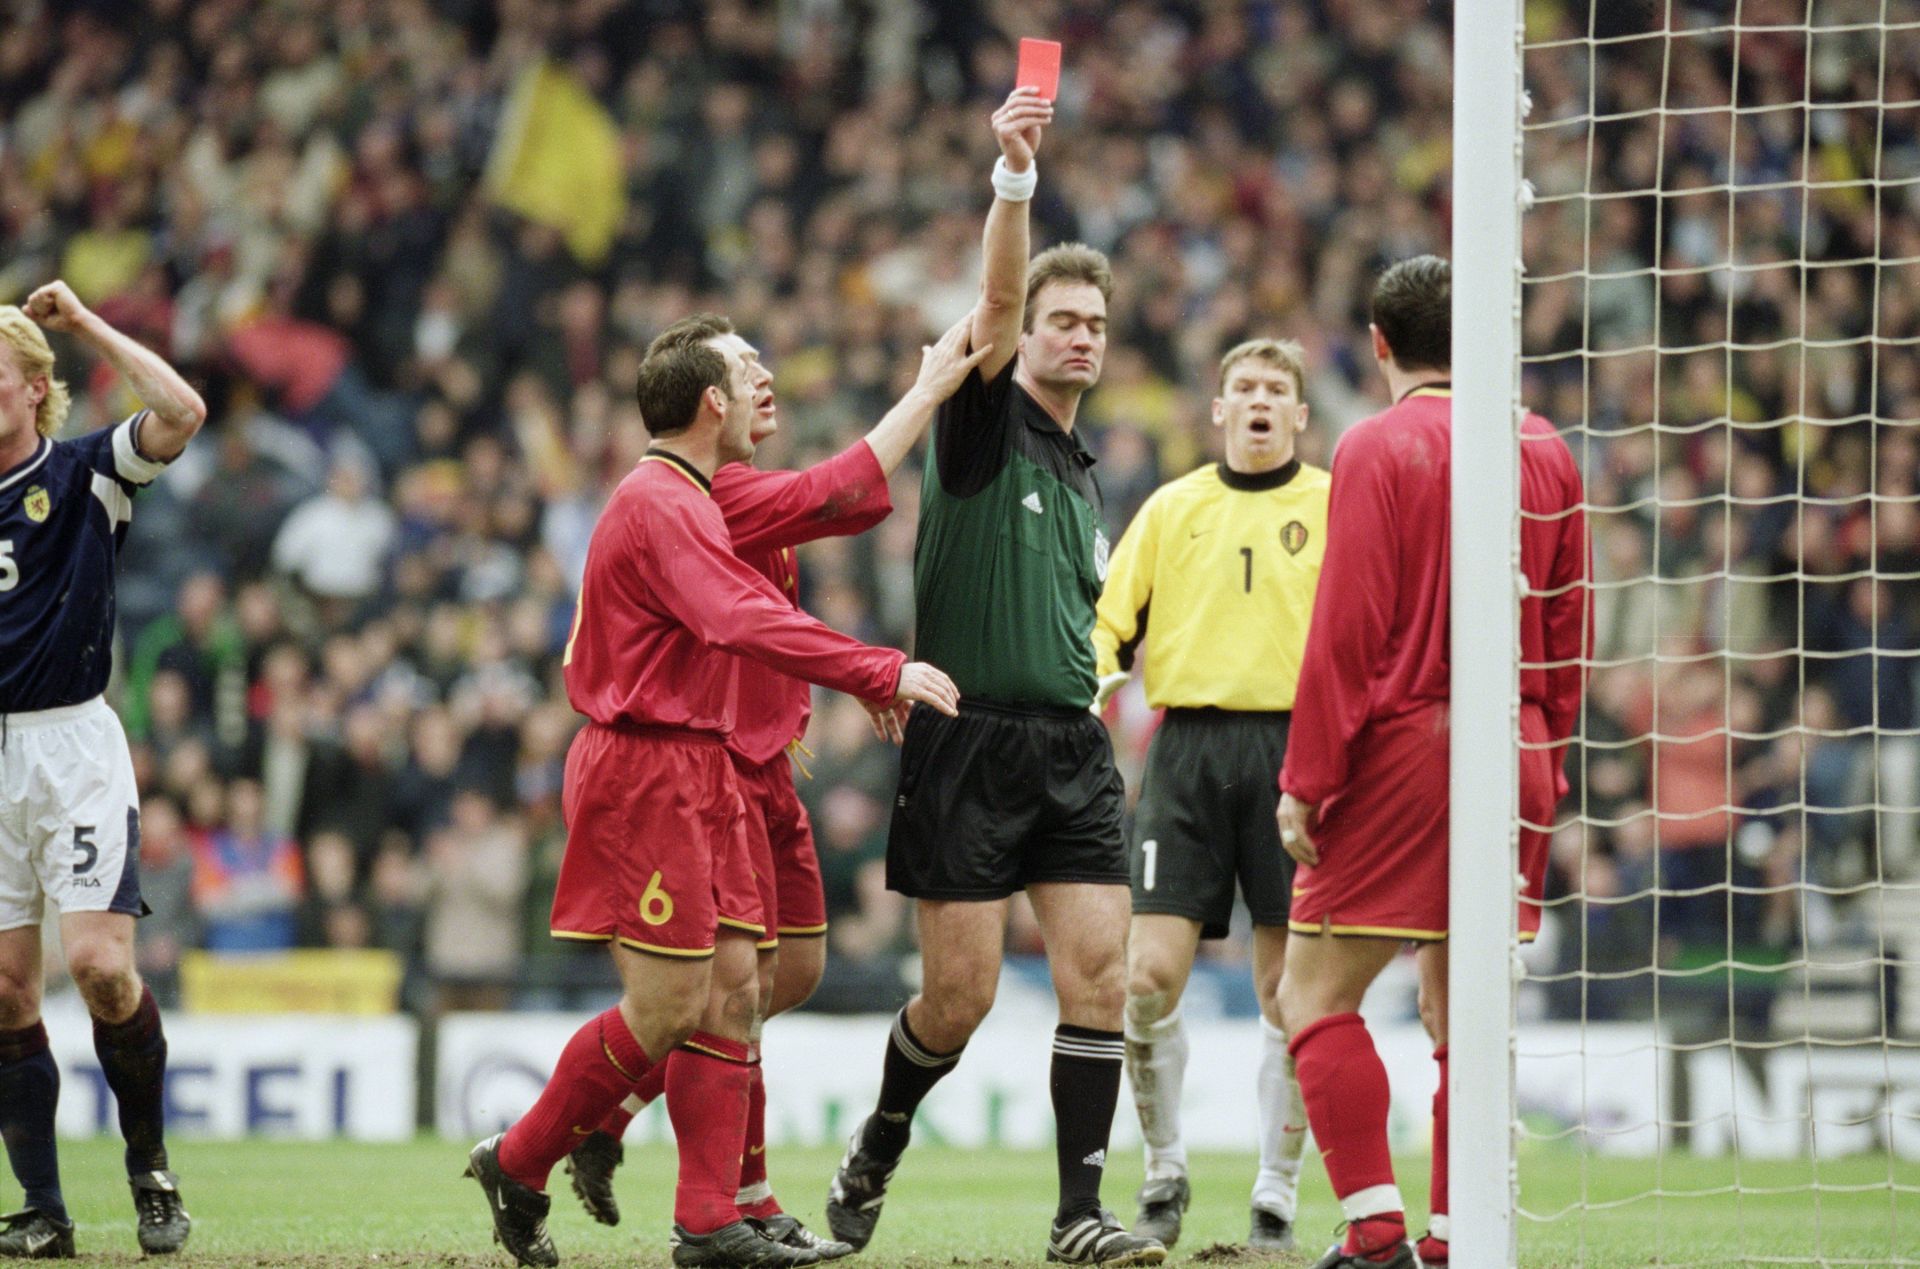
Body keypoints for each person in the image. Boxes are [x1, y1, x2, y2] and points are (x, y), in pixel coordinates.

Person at [463, 317, 960, 1269]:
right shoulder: (669, 497)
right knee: (675, 1003)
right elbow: (741, 610)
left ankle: (709, 1214)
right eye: (747, 366)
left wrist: (860, 674)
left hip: (707, 760)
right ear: (711, 401)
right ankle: (532, 1157)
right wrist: (872, 666)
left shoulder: (688, 491)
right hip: (654, 763)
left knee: (738, 987)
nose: (769, 375)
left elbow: (772, 586)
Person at [826, 87, 1164, 1268]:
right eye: (1061, 319)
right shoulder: (982, 425)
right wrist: (1014, 178)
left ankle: (1079, 1213)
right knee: (958, 1000)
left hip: (1070, 750)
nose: (1077, 336)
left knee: (1099, 977)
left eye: (1095, 326)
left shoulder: (1083, 475)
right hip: (965, 745)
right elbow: (1001, 295)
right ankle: (878, 1141)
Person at [1273, 256, 1589, 1269]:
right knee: (1465, 1009)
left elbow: (1348, 632)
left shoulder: (1378, 443)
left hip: (1412, 748)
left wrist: (1308, 777)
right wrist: (1553, 761)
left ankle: (1374, 1230)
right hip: (1522, 745)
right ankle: (1455, 1237)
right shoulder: (1545, 448)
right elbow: (1571, 624)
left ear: (1377, 344)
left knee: (1309, 995)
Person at [1092, 339, 1330, 1254]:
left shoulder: (1334, 504)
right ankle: (1164, 1172)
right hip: (1186, 751)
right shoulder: (1172, 507)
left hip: (1294, 753)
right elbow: (1108, 629)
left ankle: (1276, 1190)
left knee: (1286, 990)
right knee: (1146, 977)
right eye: (1244, 388)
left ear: (1299, 417)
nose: (1260, 401)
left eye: (1277, 389)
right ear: (1219, 409)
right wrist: (1097, 716)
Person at [0, 280, 207, 1258]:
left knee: (98, 969)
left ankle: (151, 1175)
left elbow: (181, 412)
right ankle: (43, 1208)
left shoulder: (87, 472)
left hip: (72, 745)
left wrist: (81, 324)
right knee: (4, 993)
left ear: (34, 390)